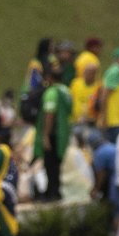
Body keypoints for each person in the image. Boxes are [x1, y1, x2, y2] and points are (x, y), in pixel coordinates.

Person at [35, 66, 71, 202]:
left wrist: (45, 135)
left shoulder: (52, 92)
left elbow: (50, 114)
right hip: (63, 133)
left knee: (50, 164)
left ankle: (51, 193)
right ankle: (56, 191)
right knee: (57, 163)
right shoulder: (66, 91)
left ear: (50, 78)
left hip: (53, 133)